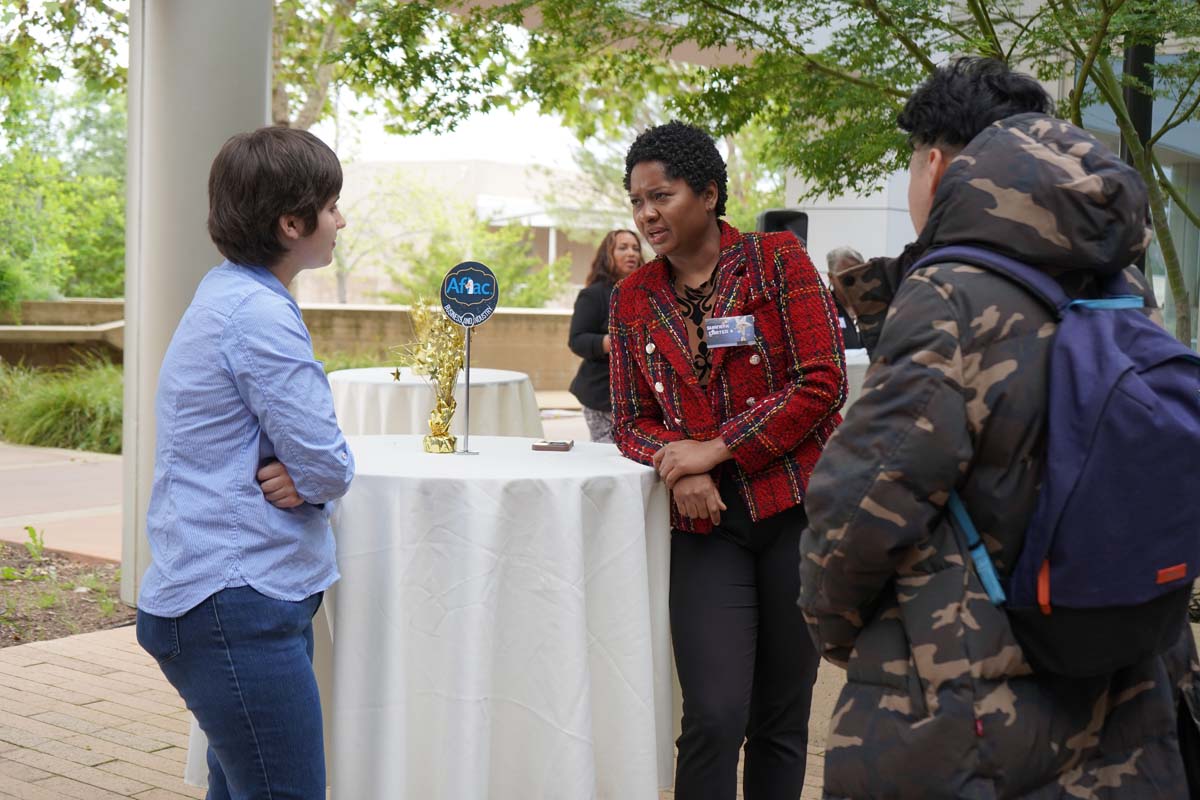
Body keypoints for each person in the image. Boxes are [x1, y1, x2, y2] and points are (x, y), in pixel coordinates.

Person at [799, 57, 1200, 798]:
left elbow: (861, 500)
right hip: (1128, 665)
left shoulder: (949, 292)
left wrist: (833, 623)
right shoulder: (1118, 281)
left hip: (970, 701)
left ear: (939, 162)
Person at [610, 120, 847, 799]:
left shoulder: (777, 261)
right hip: (706, 529)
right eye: (636, 201)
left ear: (709, 193)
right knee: (713, 715)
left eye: (662, 195)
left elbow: (823, 382)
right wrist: (679, 467)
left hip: (796, 516)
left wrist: (712, 452)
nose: (647, 214)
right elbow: (630, 424)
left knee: (781, 717)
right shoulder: (632, 299)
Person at [135, 126, 355, 800]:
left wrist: (304, 472)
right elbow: (326, 463)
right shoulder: (258, 314)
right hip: (236, 603)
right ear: (293, 223)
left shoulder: (229, 291)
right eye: (332, 204)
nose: (342, 218)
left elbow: (307, 463)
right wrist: (310, 475)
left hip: (229, 598)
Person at [568, 229, 644, 442]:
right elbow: (576, 340)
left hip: (639, 396)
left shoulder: (646, 292)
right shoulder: (593, 295)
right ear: (607, 255)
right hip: (601, 395)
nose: (631, 253)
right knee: (610, 456)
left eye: (635, 248)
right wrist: (611, 342)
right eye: (623, 248)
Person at [823, 246, 864, 349]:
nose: (853, 280)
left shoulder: (873, 305)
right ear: (831, 277)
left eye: (858, 273)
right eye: (846, 275)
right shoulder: (823, 309)